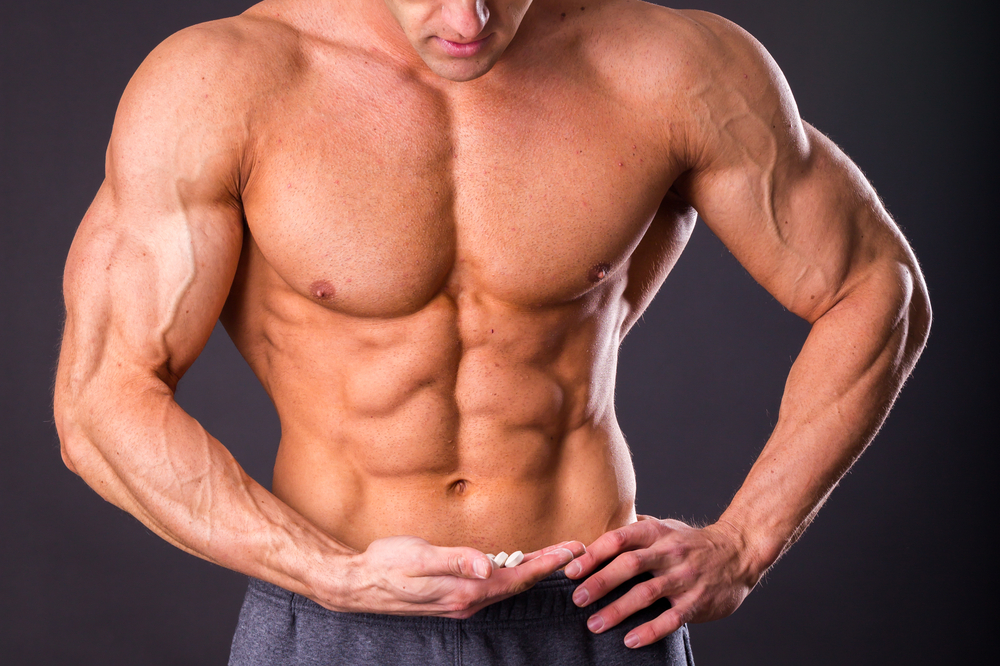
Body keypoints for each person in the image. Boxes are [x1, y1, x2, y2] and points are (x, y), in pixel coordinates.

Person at [53, 0, 931, 663]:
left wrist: (742, 545)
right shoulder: (221, 85)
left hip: (596, 617)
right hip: (341, 617)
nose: (470, 19)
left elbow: (877, 288)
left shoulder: (672, 69)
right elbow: (100, 397)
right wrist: (324, 572)